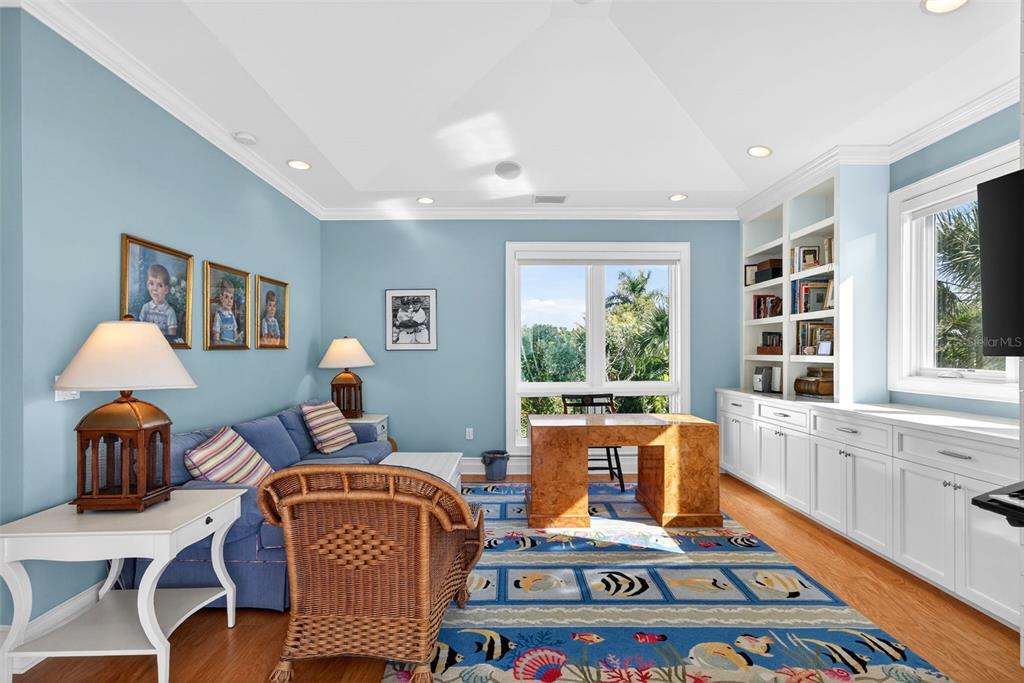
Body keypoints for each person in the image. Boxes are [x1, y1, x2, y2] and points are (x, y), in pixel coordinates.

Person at [138, 263, 177, 337]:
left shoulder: (170, 312)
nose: (154, 288)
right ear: (147, 285)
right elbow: (140, 331)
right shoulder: (145, 308)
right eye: (151, 283)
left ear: (166, 290)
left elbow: (172, 337)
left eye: (159, 285)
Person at [211, 278, 240, 345]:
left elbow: (235, 330)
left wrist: (237, 337)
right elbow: (216, 335)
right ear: (221, 298)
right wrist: (218, 342)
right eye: (226, 297)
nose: (229, 301)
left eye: (231, 298)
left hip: (232, 344)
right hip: (223, 344)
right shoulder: (218, 315)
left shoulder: (231, 315)